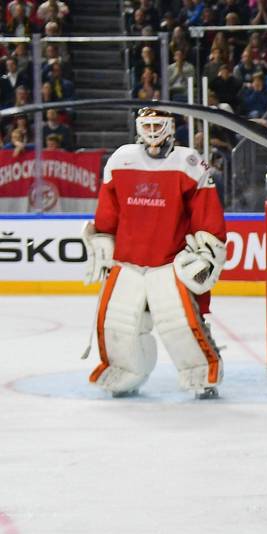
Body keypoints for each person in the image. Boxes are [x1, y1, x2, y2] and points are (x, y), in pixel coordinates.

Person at [82, 107, 228, 399]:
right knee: (117, 323)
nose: (151, 131)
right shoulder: (121, 159)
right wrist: (101, 237)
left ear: (171, 127)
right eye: (146, 124)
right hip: (127, 261)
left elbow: (206, 213)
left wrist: (208, 252)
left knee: (180, 325)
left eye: (157, 124)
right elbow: (108, 210)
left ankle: (201, 372)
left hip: (168, 263)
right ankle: (125, 371)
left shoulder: (189, 162)